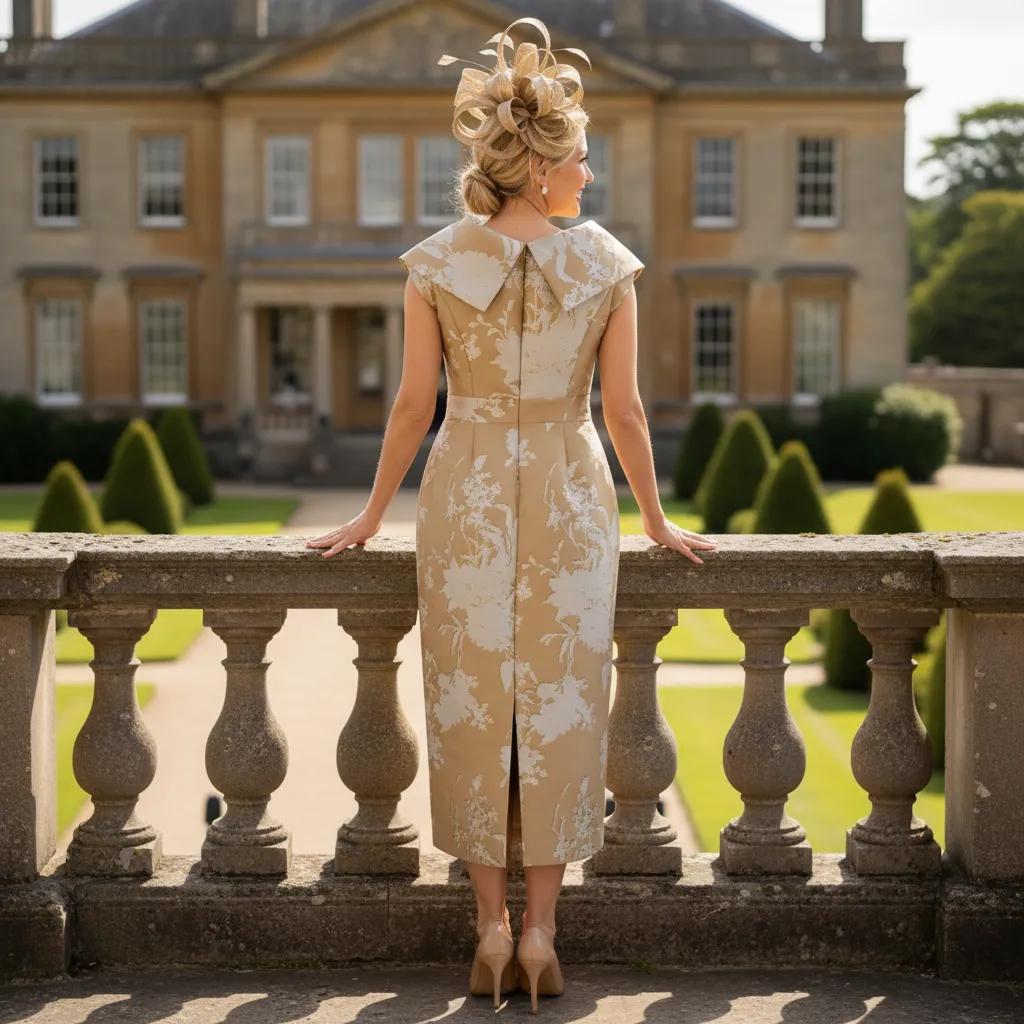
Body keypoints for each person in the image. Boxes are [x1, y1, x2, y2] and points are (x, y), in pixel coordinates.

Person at [307, 15, 717, 1012]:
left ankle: (487, 930)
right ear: (539, 168)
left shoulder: (435, 263)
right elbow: (622, 412)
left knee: (471, 705)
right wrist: (656, 520)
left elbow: (412, 405)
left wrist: (370, 512)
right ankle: (541, 932)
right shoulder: (607, 267)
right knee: (565, 708)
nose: (587, 175)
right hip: (574, 497)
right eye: (578, 159)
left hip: (467, 496)